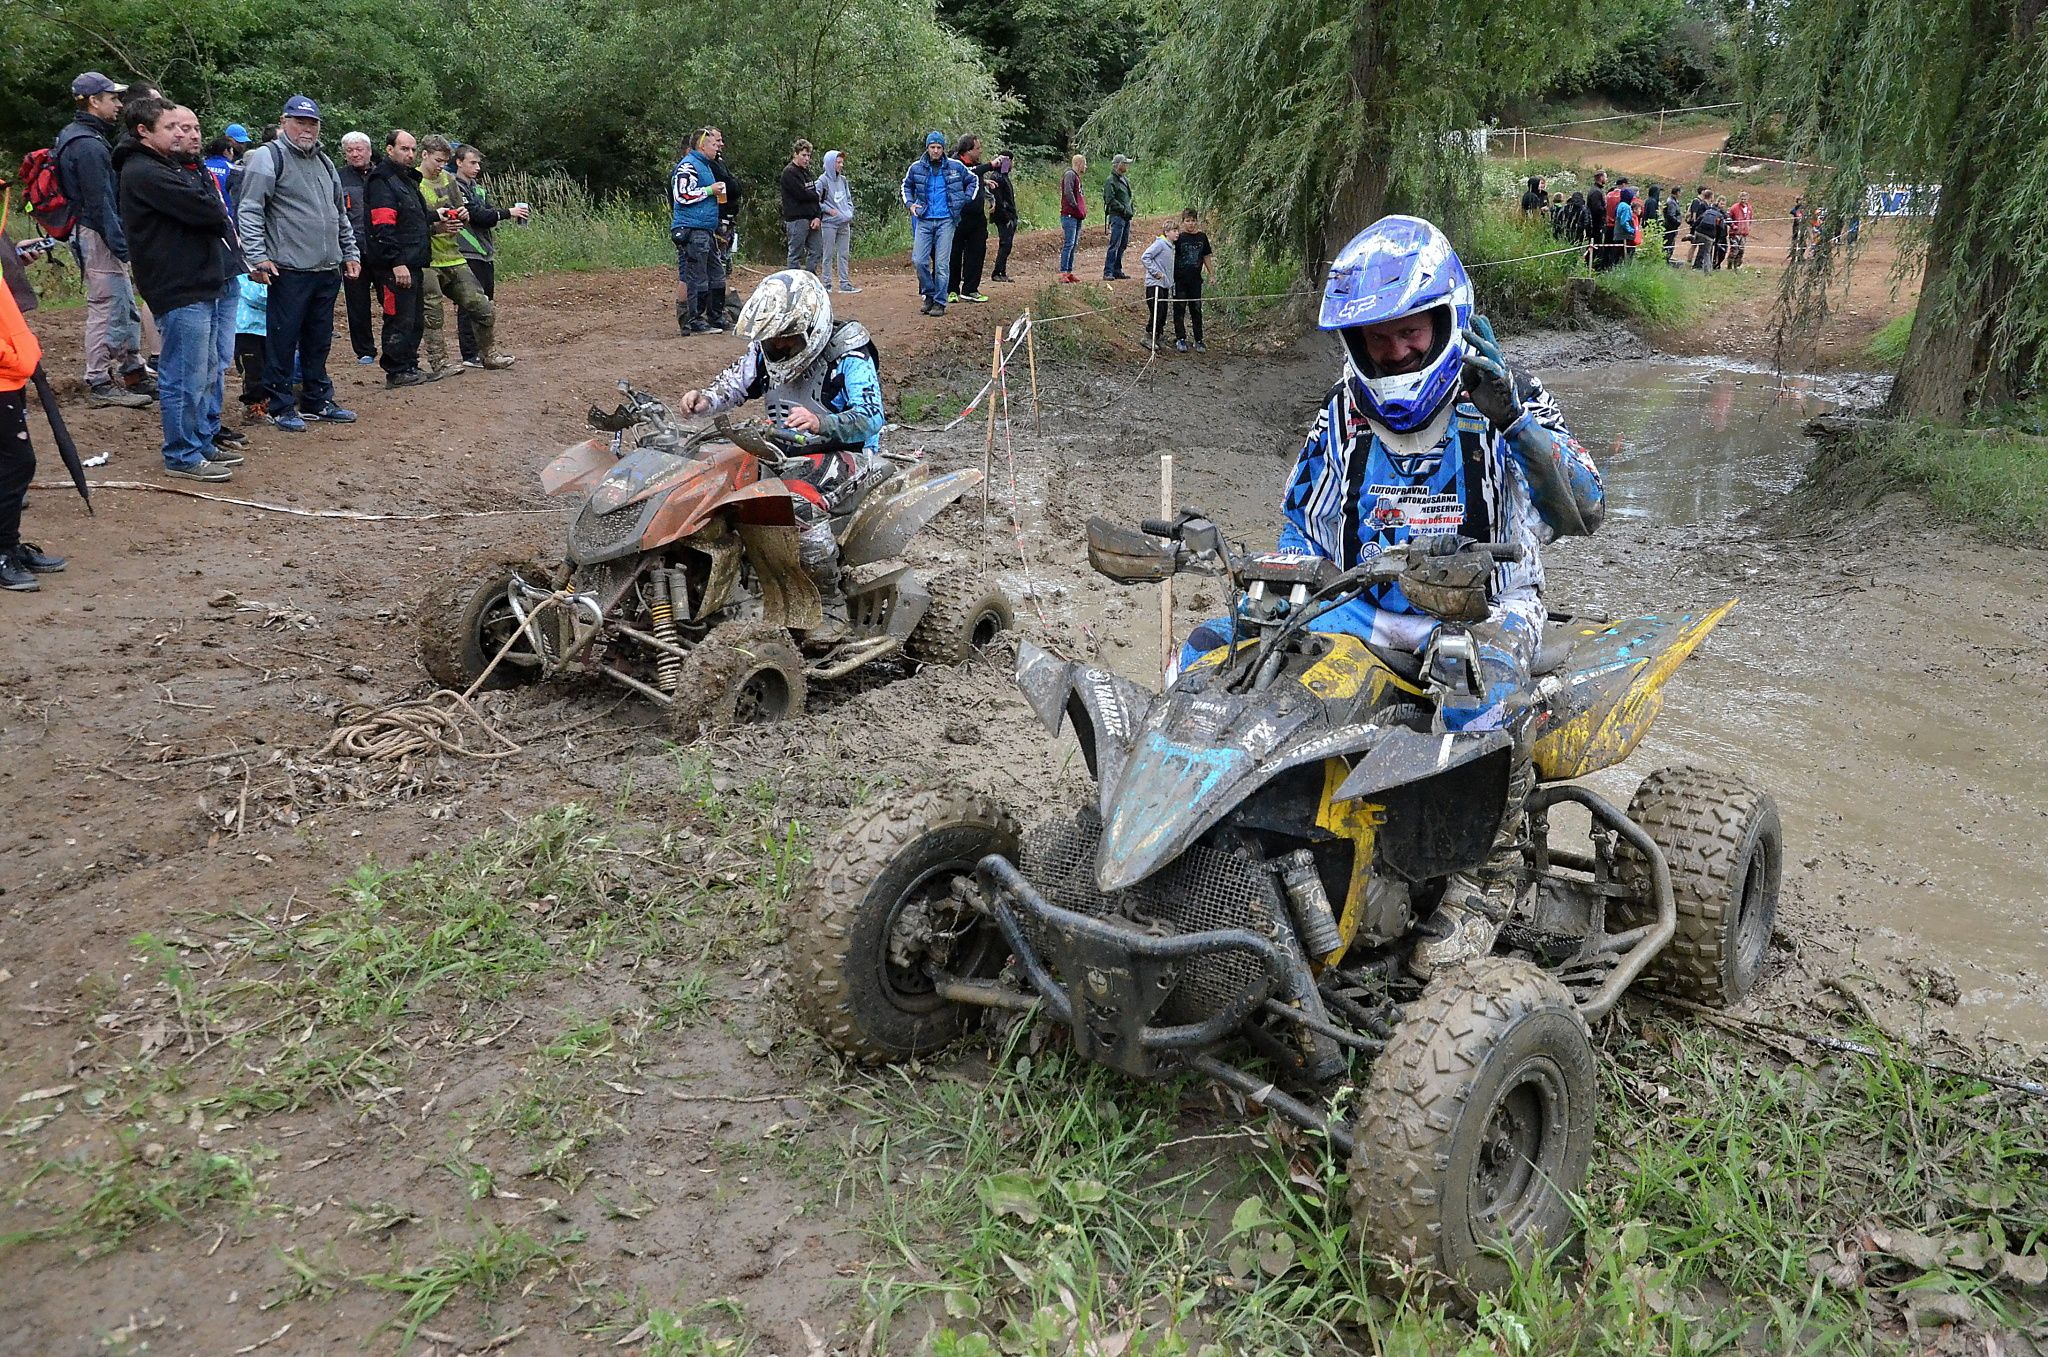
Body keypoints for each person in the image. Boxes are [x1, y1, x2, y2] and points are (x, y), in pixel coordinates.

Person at [1184, 214, 1603, 978]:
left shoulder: (1505, 393)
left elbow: (1588, 509)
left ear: (1446, 319)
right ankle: (1210, 823)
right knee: (1223, 647)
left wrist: (1514, 418)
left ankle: (1487, 879)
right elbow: (1303, 525)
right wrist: (1280, 590)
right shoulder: (1341, 411)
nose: (1398, 351)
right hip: (1363, 602)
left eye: (1410, 332)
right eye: (1379, 339)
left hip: (1486, 606)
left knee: (1479, 684)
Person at [674, 269, 883, 610]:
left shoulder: (849, 353)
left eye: (787, 338)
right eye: (773, 339)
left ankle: (828, 603)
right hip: (782, 447)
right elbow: (736, 383)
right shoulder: (766, 351)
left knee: (795, 505)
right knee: (712, 483)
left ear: (812, 327)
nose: (780, 346)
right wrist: (705, 399)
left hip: (846, 452)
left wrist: (822, 423)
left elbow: (871, 416)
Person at [115, 98, 241, 482]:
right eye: (171, 127)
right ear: (144, 131)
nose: (181, 134)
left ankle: (199, 441)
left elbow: (213, 208)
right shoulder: (144, 171)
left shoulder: (173, 166)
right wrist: (208, 205)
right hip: (179, 285)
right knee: (183, 376)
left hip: (200, 280)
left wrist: (204, 191)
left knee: (204, 371)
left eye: (184, 127)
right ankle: (182, 454)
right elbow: (211, 210)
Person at [235, 95, 359, 431]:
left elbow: (338, 213)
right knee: (283, 339)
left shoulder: (325, 162)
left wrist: (350, 252)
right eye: (300, 122)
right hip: (288, 268)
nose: (307, 129)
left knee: (319, 339)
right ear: (284, 122)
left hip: (326, 267)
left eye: (312, 123)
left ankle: (317, 399)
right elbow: (250, 209)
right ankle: (280, 404)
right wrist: (257, 257)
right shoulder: (269, 157)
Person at [54, 71, 153, 408]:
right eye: (113, 98)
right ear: (94, 101)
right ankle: (99, 380)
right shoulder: (87, 145)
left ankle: (133, 372)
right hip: (96, 234)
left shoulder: (78, 136)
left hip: (93, 231)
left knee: (122, 304)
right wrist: (122, 246)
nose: (119, 104)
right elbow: (101, 203)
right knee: (107, 306)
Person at [1, 239, 67, 592]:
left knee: (13, 462)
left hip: (10, 370)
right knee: (16, 462)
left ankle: (8, 545)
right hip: (6, 368)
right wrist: (13, 357)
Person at [414, 135, 509, 376]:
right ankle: (440, 362)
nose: (441, 166)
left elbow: (461, 211)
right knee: (433, 313)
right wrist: (436, 226)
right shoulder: (413, 181)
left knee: (482, 305)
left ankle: (489, 354)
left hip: (453, 255)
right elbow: (410, 222)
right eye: (437, 160)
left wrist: (463, 216)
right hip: (426, 258)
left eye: (444, 161)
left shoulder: (449, 180)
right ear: (424, 155)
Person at [365, 128, 434, 385]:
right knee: (398, 319)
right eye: (404, 149)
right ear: (389, 149)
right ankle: (396, 370)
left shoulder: (405, 179)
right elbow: (382, 226)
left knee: (414, 319)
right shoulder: (382, 180)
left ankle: (409, 365)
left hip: (413, 261)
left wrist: (437, 220)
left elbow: (412, 218)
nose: (410, 154)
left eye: (413, 149)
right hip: (395, 266)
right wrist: (396, 262)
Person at [453, 144, 527, 364]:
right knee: (469, 303)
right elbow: (479, 216)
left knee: (486, 303)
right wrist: (508, 212)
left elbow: (487, 214)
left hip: (484, 252)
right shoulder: (454, 187)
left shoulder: (478, 189)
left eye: (478, 163)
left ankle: (484, 350)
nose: (477, 167)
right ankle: (469, 353)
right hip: (467, 251)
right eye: (472, 163)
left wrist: (497, 214)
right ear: (459, 162)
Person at [901, 130, 970, 317]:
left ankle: (940, 301)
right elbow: (906, 185)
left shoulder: (955, 166)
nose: (936, 151)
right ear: (927, 148)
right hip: (924, 219)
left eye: (939, 147)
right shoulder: (916, 167)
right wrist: (910, 204)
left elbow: (972, 181)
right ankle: (929, 294)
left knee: (941, 264)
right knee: (918, 260)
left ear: (943, 149)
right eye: (932, 147)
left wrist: (963, 200)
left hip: (946, 220)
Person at [670, 127, 729, 336]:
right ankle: (694, 320)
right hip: (692, 229)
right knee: (697, 276)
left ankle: (715, 316)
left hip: (706, 229)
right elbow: (682, 195)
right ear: (702, 146)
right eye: (714, 144)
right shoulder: (688, 166)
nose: (718, 147)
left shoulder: (705, 166)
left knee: (717, 274)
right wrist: (709, 190)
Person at [337, 130, 378, 364]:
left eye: (359, 149)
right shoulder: (338, 177)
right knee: (357, 303)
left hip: (382, 249)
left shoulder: (381, 176)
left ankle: (394, 346)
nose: (354, 154)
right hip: (352, 250)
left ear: (369, 151)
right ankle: (364, 350)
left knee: (391, 299)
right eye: (350, 151)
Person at [947, 135, 990, 303]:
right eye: (977, 148)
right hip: (957, 217)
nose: (980, 151)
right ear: (967, 150)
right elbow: (965, 174)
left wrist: (985, 183)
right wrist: (991, 165)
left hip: (977, 217)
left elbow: (974, 176)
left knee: (977, 252)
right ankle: (951, 289)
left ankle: (970, 289)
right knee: (954, 254)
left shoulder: (976, 166)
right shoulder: (953, 164)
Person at [1171, 207, 1214, 353]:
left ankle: (1199, 339)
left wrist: (1212, 274)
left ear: (1197, 221)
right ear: (1183, 222)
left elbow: (1206, 256)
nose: (1191, 224)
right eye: (1188, 221)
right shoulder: (1179, 238)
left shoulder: (1202, 237)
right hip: (1179, 280)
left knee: (1196, 309)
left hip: (1195, 280)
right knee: (1179, 309)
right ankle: (1180, 338)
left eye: (1193, 221)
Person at [815, 150, 858, 293]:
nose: (841, 165)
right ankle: (826, 284)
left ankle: (844, 283)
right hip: (829, 223)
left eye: (841, 162)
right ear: (830, 163)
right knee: (828, 254)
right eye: (838, 162)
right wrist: (828, 210)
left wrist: (849, 211)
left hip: (844, 222)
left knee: (844, 254)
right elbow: (815, 201)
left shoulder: (843, 180)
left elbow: (848, 198)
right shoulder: (822, 181)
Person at [779, 139, 823, 273]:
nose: (806, 159)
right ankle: (794, 281)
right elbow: (801, 194)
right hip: (797, 219)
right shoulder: (789, 173)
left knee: (817, 250)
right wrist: (815, 195)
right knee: (795, 254)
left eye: (808, 155)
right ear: (795, 154)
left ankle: (810, 277)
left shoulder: (807, 173)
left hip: (812, 218)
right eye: (803, 155)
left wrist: (818, 216)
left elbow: (814, 197)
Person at [1139, 218, 1177, 352]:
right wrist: (1155, 272)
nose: (1177, 233)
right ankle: (1148, 336)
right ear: (1166, 232)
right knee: (1157, 311)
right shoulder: (1160, 244)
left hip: (1164, 285)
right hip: (1154, 284)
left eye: (1177, 230)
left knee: (1163, 312)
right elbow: (1145, 257)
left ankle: (1158, 336)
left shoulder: (1171, 247)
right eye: (1174, 230)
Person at [1102, 154, 1136, 280]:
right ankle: (1108, 271)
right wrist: (1124, 209)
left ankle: (1117, 269)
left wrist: (1130, 210)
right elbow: (1109, 200)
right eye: (1125, 163)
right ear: (1119, 165)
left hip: (1125, 217)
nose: (1127, 166)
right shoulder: (1110, 180)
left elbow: (1128, 197)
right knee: (1114, 244)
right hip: (1117, 216)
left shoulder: (1123, 179)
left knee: (1123, 244)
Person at [202, 125, 249, 213]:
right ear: (226, 151)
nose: (242, 146)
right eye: (239, 142)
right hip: (225, 213)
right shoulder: (234, 169)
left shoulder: (201, 165)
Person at [987, 153, 1019, 282]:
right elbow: (998, 200)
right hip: (1003, 216)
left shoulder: (1003, 176)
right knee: (1005, 243)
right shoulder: (997, 177)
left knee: (1007, 244)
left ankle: (1002, 271)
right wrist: (1006, 217)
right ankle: (997, 272)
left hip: (1008, 214)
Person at [1058, 153, 1087, 282]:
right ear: (1079, 164)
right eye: (1084, 164)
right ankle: (1063, 272)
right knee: (1069, 243)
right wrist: (1076, 206)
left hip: (1076, 215)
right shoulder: (1070, 175)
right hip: (1069, 215)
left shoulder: (1077, 177)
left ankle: (1069, 272)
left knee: (1074, 243)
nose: (1085, 167)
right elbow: (1068, 192)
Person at [1582, 171, 1609, 270]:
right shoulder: (1596, 192)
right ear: (1601, 178)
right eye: (1605, 177)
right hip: (1596, 224)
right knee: (1595, 245)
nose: (1606, 179)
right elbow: (1596, 209)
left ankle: (1593, 266)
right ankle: (1593, 266)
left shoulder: (1597, 190)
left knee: (1596, 245)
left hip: (1596, 223)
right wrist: (1605, 209)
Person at [1727, 191, 1752, 270]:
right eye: (1742, 199)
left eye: (1745, 199)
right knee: (1734, 250)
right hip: (1734, 233)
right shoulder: (1734, 207)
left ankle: (1736, 267)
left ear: (1747, 199)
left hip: (1744, 233)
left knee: (1741, 250)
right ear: (1739, 199)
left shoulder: (1749, 208)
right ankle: (1729, 266)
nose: (1743, 201)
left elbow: (1750, 219)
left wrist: (1747, 227)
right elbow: (1728, 217)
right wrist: (1733, 225)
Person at [1661, 187, 1683, 266]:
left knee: (1670, 244)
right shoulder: (1671, 202)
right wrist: (1677, 222)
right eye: (1680, 192)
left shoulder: (1673, 201)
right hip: (1670, 227)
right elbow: (1671, 215)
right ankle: (1665, 261)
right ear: (1677, 192)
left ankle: (1666, 260)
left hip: (1671, 227)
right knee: (1669, 244)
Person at [1789, 196, 1807, 264]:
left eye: (1802, 200)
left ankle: (1800, 257)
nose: (1801, 202)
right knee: (1796, 242)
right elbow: (1792, 212)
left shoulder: (1805, 209)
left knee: (1803, 244)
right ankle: (1794, 258)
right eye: (1799, 200)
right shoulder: (1796, 209)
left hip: (1802, 228)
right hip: (1796, 228)